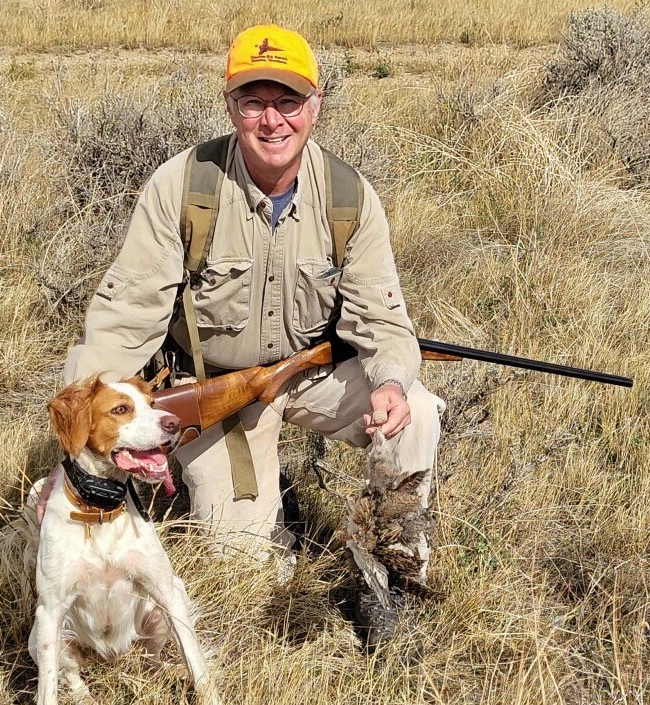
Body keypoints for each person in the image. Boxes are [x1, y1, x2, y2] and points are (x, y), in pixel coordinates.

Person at [62, 25, 444, 604]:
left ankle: (398, 571)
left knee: (415, 411)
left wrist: (390, 382)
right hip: (217, 392)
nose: (272, 121)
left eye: (288, 100)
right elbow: (125, 316)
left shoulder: (349, 197)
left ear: (315, 106)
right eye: (253, 102)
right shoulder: (183, 188)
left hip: (311, 373)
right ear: (229, 106)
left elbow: (384, 322)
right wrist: (78, 425)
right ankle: (266, 512)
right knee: (242, 569)